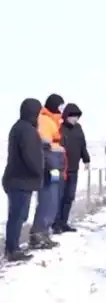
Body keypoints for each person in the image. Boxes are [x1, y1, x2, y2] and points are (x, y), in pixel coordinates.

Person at [2, 98, 45, 261]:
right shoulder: (27, 130)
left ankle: (13, 248)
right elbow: (31, 156)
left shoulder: (19, 127)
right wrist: (39, 172)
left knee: (18, 215)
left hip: (16, 178)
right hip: (20, 179)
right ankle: (12, 250)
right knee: (17, 216)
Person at [30, 93, 66, 249]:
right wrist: (51, 164)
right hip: (50, 165)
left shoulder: (52, 121)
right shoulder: (45, 121)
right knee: (48, 199)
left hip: (55, 165)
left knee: (53, 199)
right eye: (60, 106)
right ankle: (38, 234)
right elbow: (45, 146)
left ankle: (44, 233)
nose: (61, 110)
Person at [54, 103, 91, 233]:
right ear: (66, 116)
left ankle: (64, 223)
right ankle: (56, 224)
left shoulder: (78, 128)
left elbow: (82, 145)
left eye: (77, 117)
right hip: (61, 168)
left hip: (74, 168)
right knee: (59, 196)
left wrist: (86, 159)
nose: (75, 119)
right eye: (72, 116)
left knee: (69, 196)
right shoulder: (59, 128)